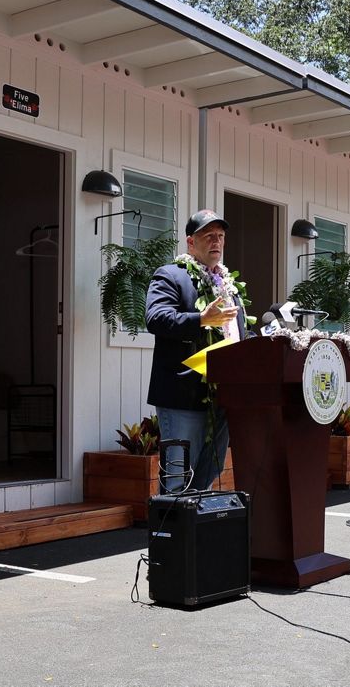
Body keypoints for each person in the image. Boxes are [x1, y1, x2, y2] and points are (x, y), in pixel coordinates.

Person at [146, 210, 248, 491]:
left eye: (221, 236)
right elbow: (156, 318)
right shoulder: (171, 276)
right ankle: (169, 534)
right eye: (208, 236)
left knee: (207, 475)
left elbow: (239, 335)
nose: (216, 242)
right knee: (177, 479)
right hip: (183, 395)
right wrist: (201, 320)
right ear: (191, 243)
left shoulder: (228, 287)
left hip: (222, 397)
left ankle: (195, 534)